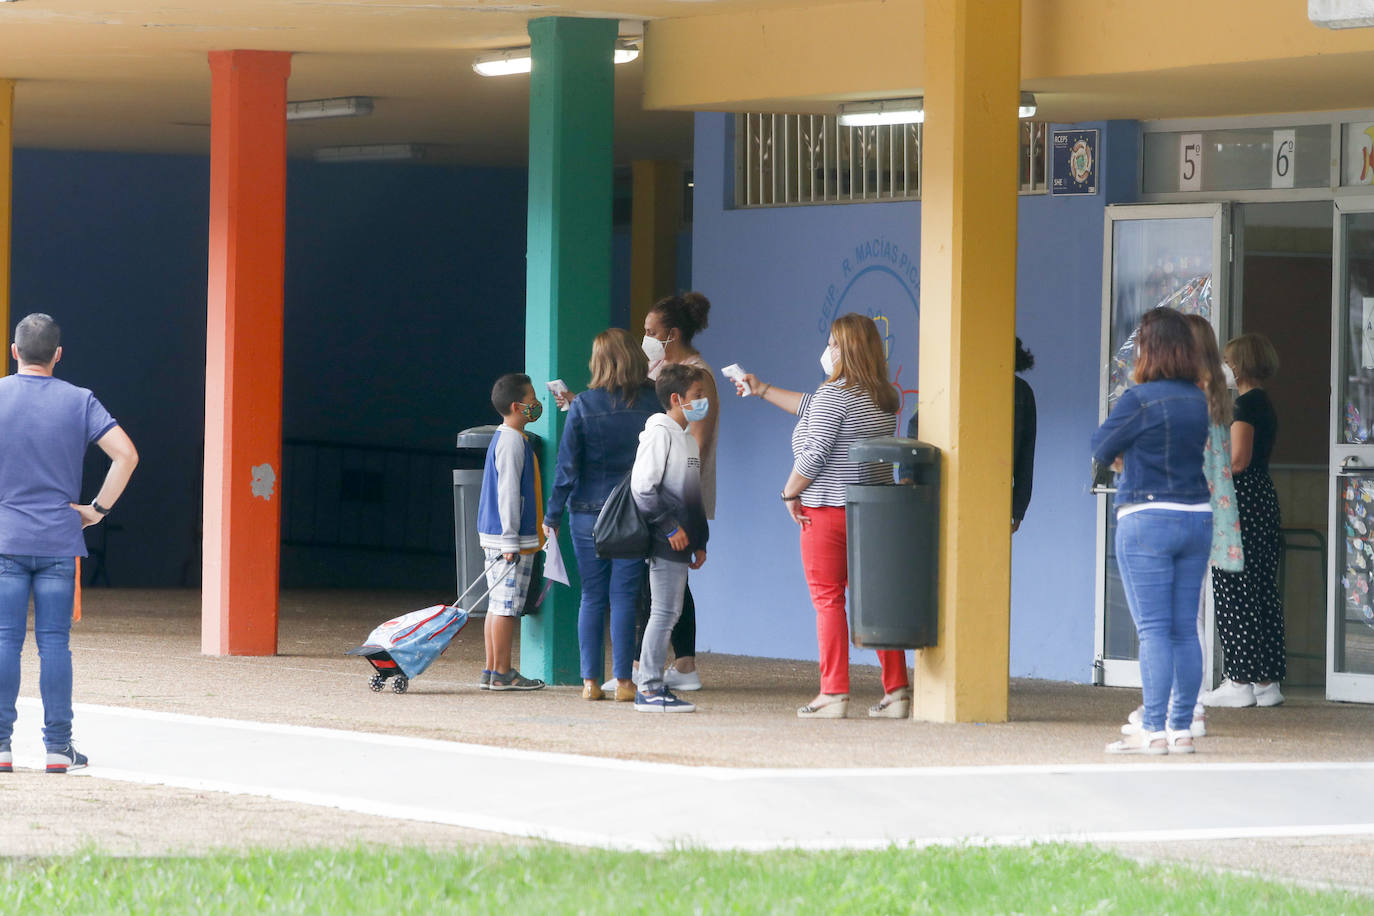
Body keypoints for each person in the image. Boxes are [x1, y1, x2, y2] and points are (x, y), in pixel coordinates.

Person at [734, 313, 908, 719]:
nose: (827, 350)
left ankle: (833, 693)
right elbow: (811, 407)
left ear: (845, 349)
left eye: (832, 343)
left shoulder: (836, 396)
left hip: (828, 510)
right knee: (877, 601)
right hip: (874, 512)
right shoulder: (882, 396)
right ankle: (897, 691)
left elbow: (815, 452)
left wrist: (789, 492)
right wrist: (762, 390)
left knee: (829, 600)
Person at [0, 313, 139, 774]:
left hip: (6, 541)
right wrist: (96, 511)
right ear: (58, 354)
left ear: (14, 351)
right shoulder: (80, 401)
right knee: (54, 645)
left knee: (5, 642)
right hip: (60, 541)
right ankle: (58, 748)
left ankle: (1, 746)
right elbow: (126, 455)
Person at [1092, 307, 1211, 754]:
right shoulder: (1197, 399)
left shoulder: (1138, 399)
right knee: (1184, 628)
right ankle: (1182, 729)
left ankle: (1154, 729)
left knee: (1154, 630)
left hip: (1146, 516)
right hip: (1196, 516)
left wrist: (1126, 458)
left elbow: (1101, 446)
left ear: (1150, 348)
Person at [1121, 314, 1241, 741]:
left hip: (1179, 498)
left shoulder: (1184, 392)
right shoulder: (1216, 387)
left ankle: (1181, 708)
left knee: (1172, 622)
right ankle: (1184, 707)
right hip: (1210, 503)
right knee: (1188, 615)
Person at [544, 329, 661, 702]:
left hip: (586, 513)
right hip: (634, 512)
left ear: (599, 362)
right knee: (626, 596)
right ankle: (625, 681)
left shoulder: (583, 405)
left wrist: (552, 515)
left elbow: (566, 469)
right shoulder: (654, 403)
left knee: (592, 596)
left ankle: (590, 682)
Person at [633, 292, 717, 692]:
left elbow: (694, 448)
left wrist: (692, 529)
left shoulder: (696, 376)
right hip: (662, 502)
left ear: (673, 334)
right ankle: (648, 673)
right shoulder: (661, 375)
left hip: (680, 501)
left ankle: (661, 671)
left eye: (653, 332)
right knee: (663, 596)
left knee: (668, 597)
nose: (645, 337)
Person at [1204, 333, 1284, 709]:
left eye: (1226, 361)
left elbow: (1238, 459)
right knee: (1261, 588)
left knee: (1234, 586)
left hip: (1242, 505)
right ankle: (1267, 682)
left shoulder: (1245, 406)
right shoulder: (1262, 403)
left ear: (1236, 366)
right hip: (1261, 501)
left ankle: (1239, 680)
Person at [630, 363, 709, 713]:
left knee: (670, 610)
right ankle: (648, 687)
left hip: (682, 540)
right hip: (665, 539)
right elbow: (643, 488)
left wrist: (699, 539)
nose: (703, 401)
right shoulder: (659, 433)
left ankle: (650, 684)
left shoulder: (687, 437)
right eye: (697, 396)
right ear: (676, 399)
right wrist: (670, 528)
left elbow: (693, 496)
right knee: (663, 611)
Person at [476, 372, 547, 692]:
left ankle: (493, 669)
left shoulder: (506, 438)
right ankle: (503, 671)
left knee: (497, 605)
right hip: (510, 540)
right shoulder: (513, 442)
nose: (537, 405)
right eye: (532, 400)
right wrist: (510, 540)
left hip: (499, 538)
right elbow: (508, 492)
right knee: (507, 608)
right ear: (518, 407)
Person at [1012, 338, 1038, 533]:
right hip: (998, 488)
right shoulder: (1022, 392)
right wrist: (1018, 507)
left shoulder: (961, 383)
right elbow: (1025, 458)